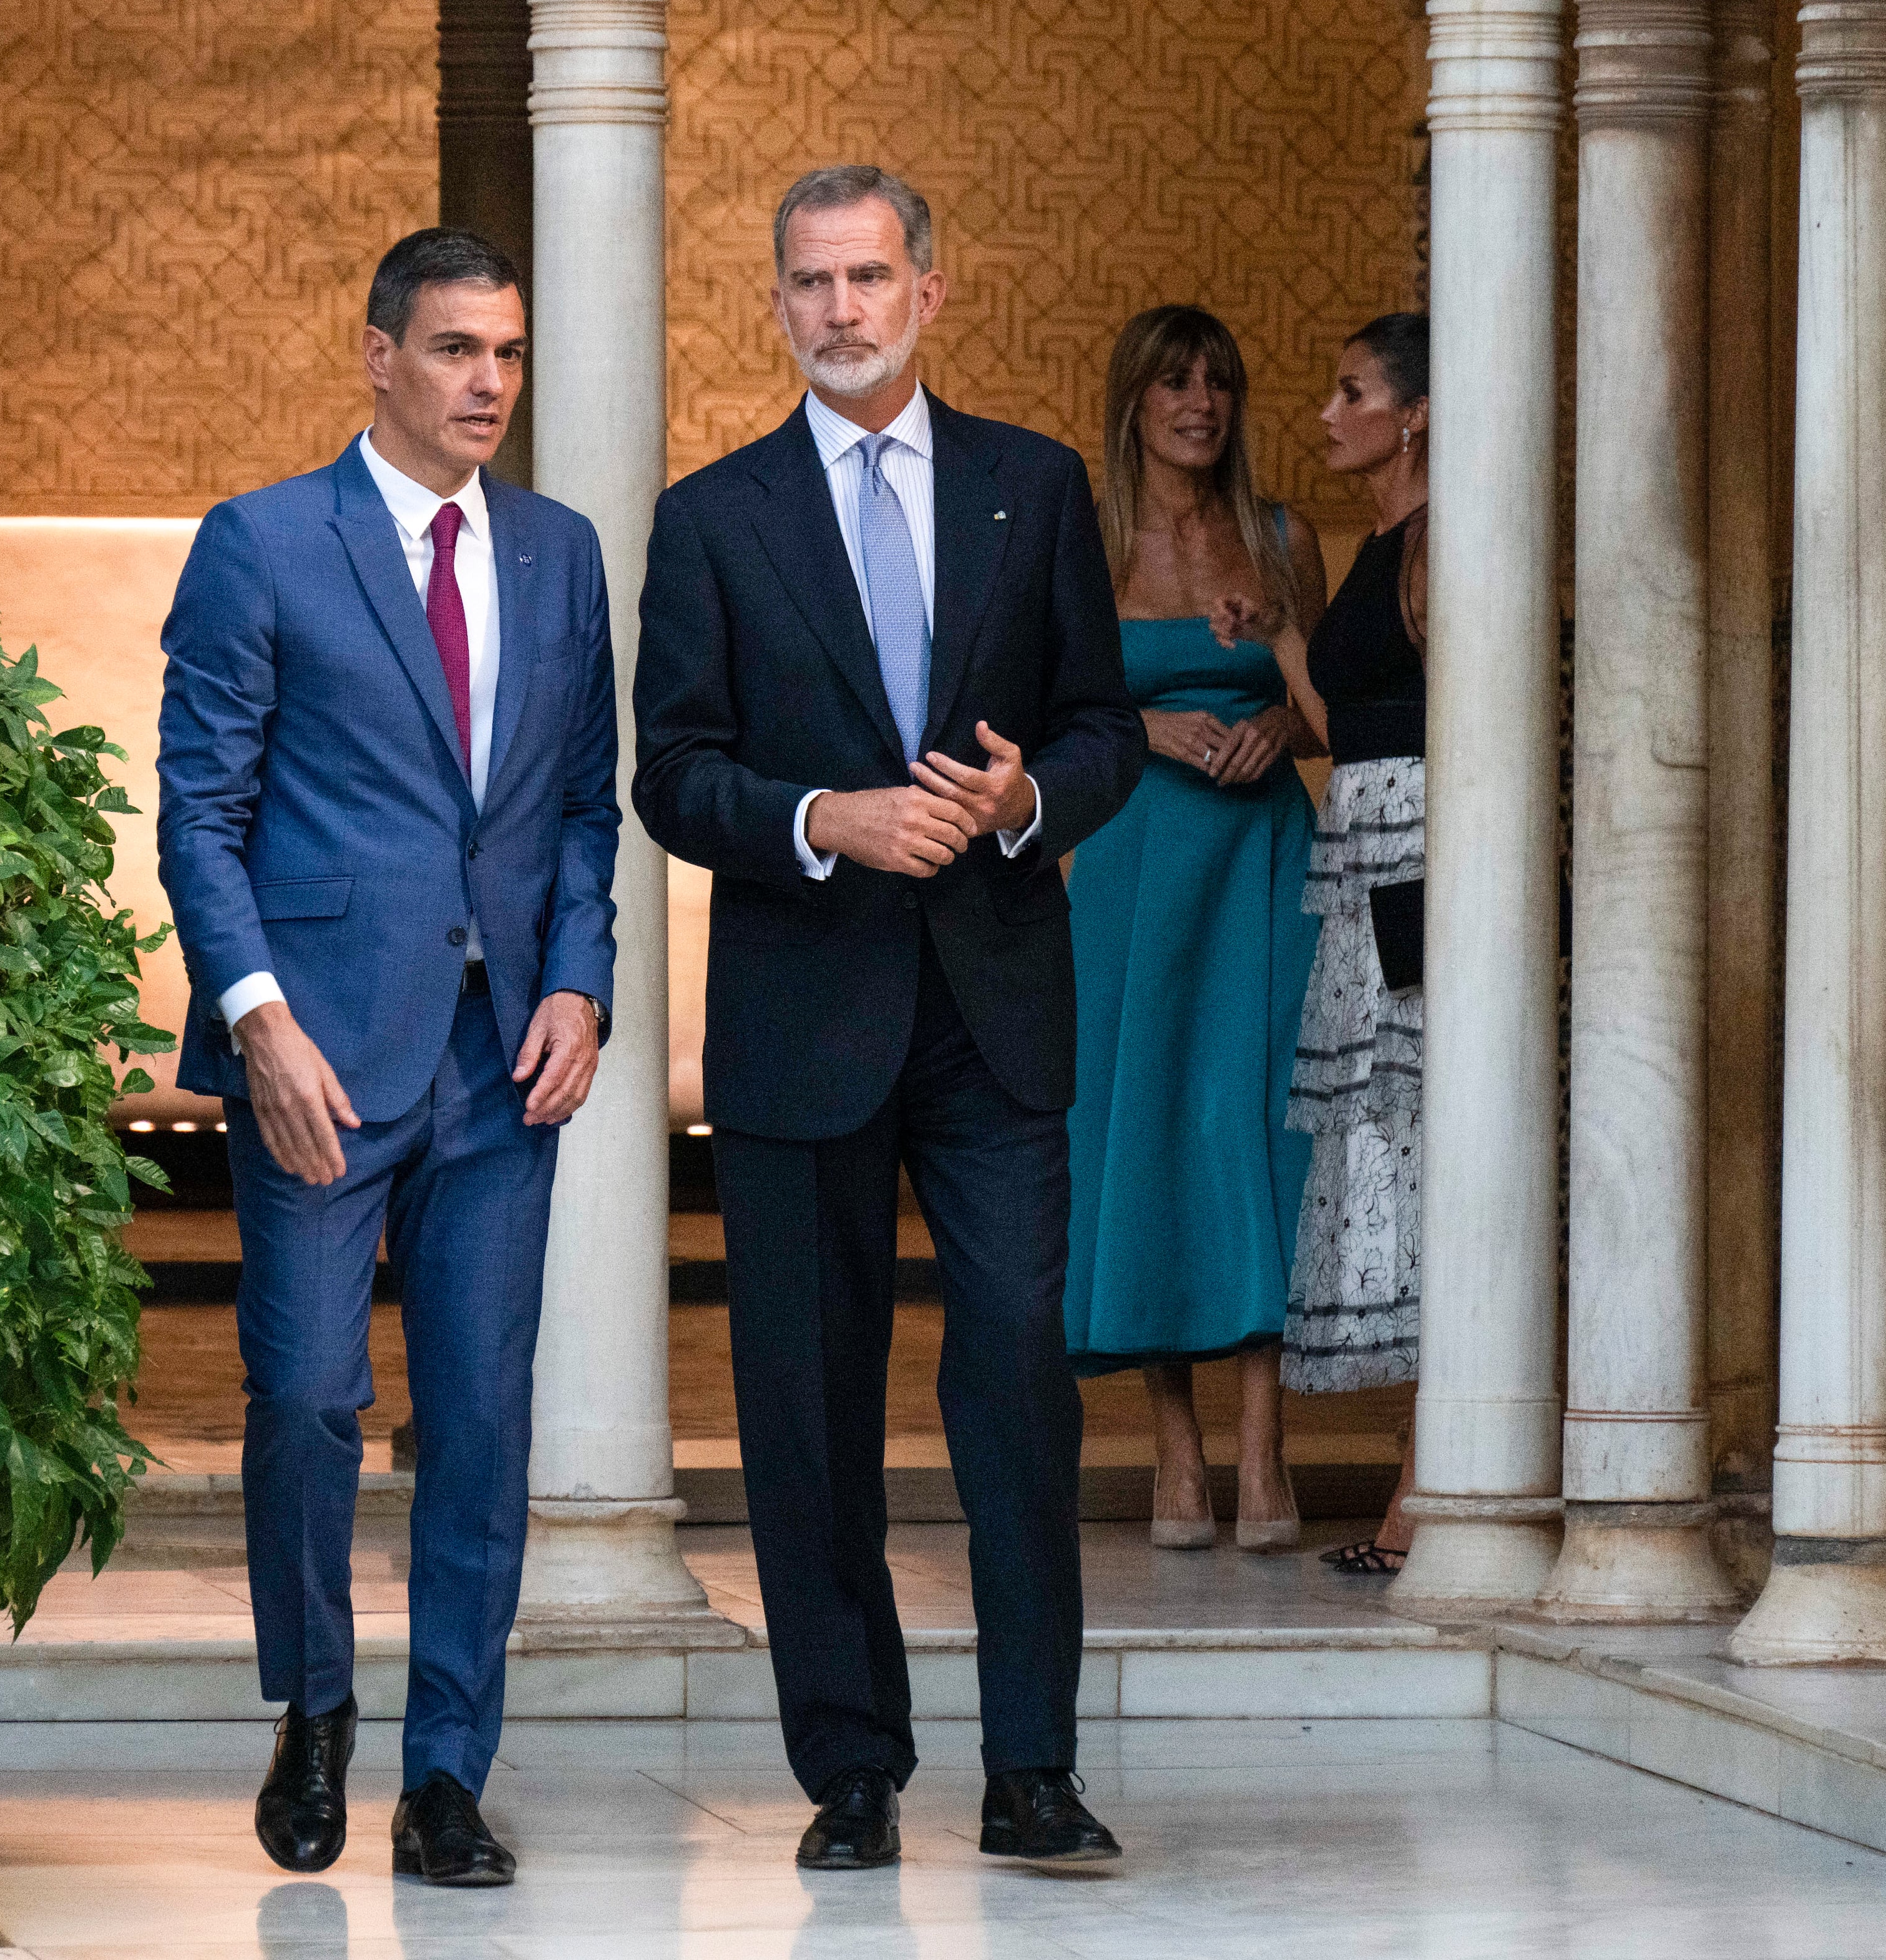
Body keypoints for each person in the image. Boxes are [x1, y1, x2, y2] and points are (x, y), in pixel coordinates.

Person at [634, 165, 1146, 1873]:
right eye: (808, 283)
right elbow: (674, 773)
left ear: (931, 288)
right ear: (776, 304)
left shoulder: (1037, 486)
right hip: (802, 1008)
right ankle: (850, 1768)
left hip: (992, 1007)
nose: (839, 309)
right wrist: (820, 816)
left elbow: (1102, 730)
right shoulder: (715, 515)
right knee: (805, 1396)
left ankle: (1031, 1769)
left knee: (1014, 1373)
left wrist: (1023, 800)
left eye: (867, 277)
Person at [155, 227, 620, 1886]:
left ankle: (444, 1773)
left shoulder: (564, 556)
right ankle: (315, 1709)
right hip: (321, 1060)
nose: (487, 380)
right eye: (454, 350)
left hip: (507, 1064)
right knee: (304, 1398)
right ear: (378, 354)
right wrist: (256, 1015)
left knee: (483, 1417)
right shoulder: (265, 543)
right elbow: (199, 811)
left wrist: (583, 978)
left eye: (505, 351)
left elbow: (581, 809)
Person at [1060, 305, 1329, 1554]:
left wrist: (1281, 724)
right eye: (1174, 382)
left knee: (1267, 1126)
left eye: (1217, 380)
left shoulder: (1278, 535)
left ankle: (1264, 1449)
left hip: (1264, 859)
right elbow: (1036, 717)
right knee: (1146, 1127)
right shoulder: (1085, 543)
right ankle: (1175, 1454)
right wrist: (1147, 730)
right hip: (1130, 864)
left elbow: (1332, 707)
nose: (1199, 402)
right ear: (1134, 401)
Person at [1278, 310, 1431, 1576]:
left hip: (1419, 854)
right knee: (1383, 1145)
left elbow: (1462, 718)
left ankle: (1424, 1496)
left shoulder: (1438, 541)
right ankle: (1419, 1485)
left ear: (1414, 414)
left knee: (1420, 1147)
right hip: (1363, 839)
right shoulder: (1378, 541)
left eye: (1351, 391)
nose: (1328, 413)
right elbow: (1349, 723)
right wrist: (1274, 634)